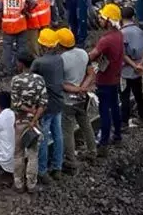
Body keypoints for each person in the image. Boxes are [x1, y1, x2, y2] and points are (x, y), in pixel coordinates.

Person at [85, 3, 125, 148]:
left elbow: (92, 55)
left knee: (104, 111)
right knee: (114, 107)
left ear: (109, 20)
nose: (100, 20)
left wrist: (81, 58)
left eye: (102, 18)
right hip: (115, 77)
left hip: (104, 80)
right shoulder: (119, 35)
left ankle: (104, 142)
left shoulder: (106, 40)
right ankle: (118, 135)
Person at [30, 28, 65, 183]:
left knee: (42, 138)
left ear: (43, 45)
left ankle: (42, 170)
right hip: (58, 101)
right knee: (58, 135)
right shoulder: (59, 59)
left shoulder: (39, 62)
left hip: (44, 105)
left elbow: (31, 79)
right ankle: (57, 167)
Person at [57, 27, 95, 173]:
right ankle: (92, 151)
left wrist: (77, 89)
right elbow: (91, 74)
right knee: (85, 123)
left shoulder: (61, 60)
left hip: (68, 99)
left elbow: (62, 84)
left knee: (67, 130)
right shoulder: (83, 53)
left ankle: (71, 160)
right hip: (82, 97)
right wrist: (83, 88)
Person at [10, 54, 46, 193]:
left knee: (18, 153)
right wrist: (35, 119)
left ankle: (18, 183)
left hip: (20, 120)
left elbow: (15, 103)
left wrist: (27, 110)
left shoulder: (16, 80)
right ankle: (31, 184)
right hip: (35, 122)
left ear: (21, 63)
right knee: (33, 153)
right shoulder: (40, 80)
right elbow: (43, 102)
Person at [120, 6, 143, 129]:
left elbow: (123, 54)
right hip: (138, 69)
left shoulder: (122, 33)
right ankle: (141, 117)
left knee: (124, 96)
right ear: (133, 17)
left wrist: (133, 65)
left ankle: (124, 122)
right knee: (138, 93)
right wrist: (139, 64)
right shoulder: (140, 31)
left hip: (126, 70)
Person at [0, 0, 29, 69]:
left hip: (7, 25)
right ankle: (20, 66)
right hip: (21, 25)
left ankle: (7, 68)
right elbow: (33, 4)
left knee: (7, 47)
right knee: (22, 46)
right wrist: (25, 11)